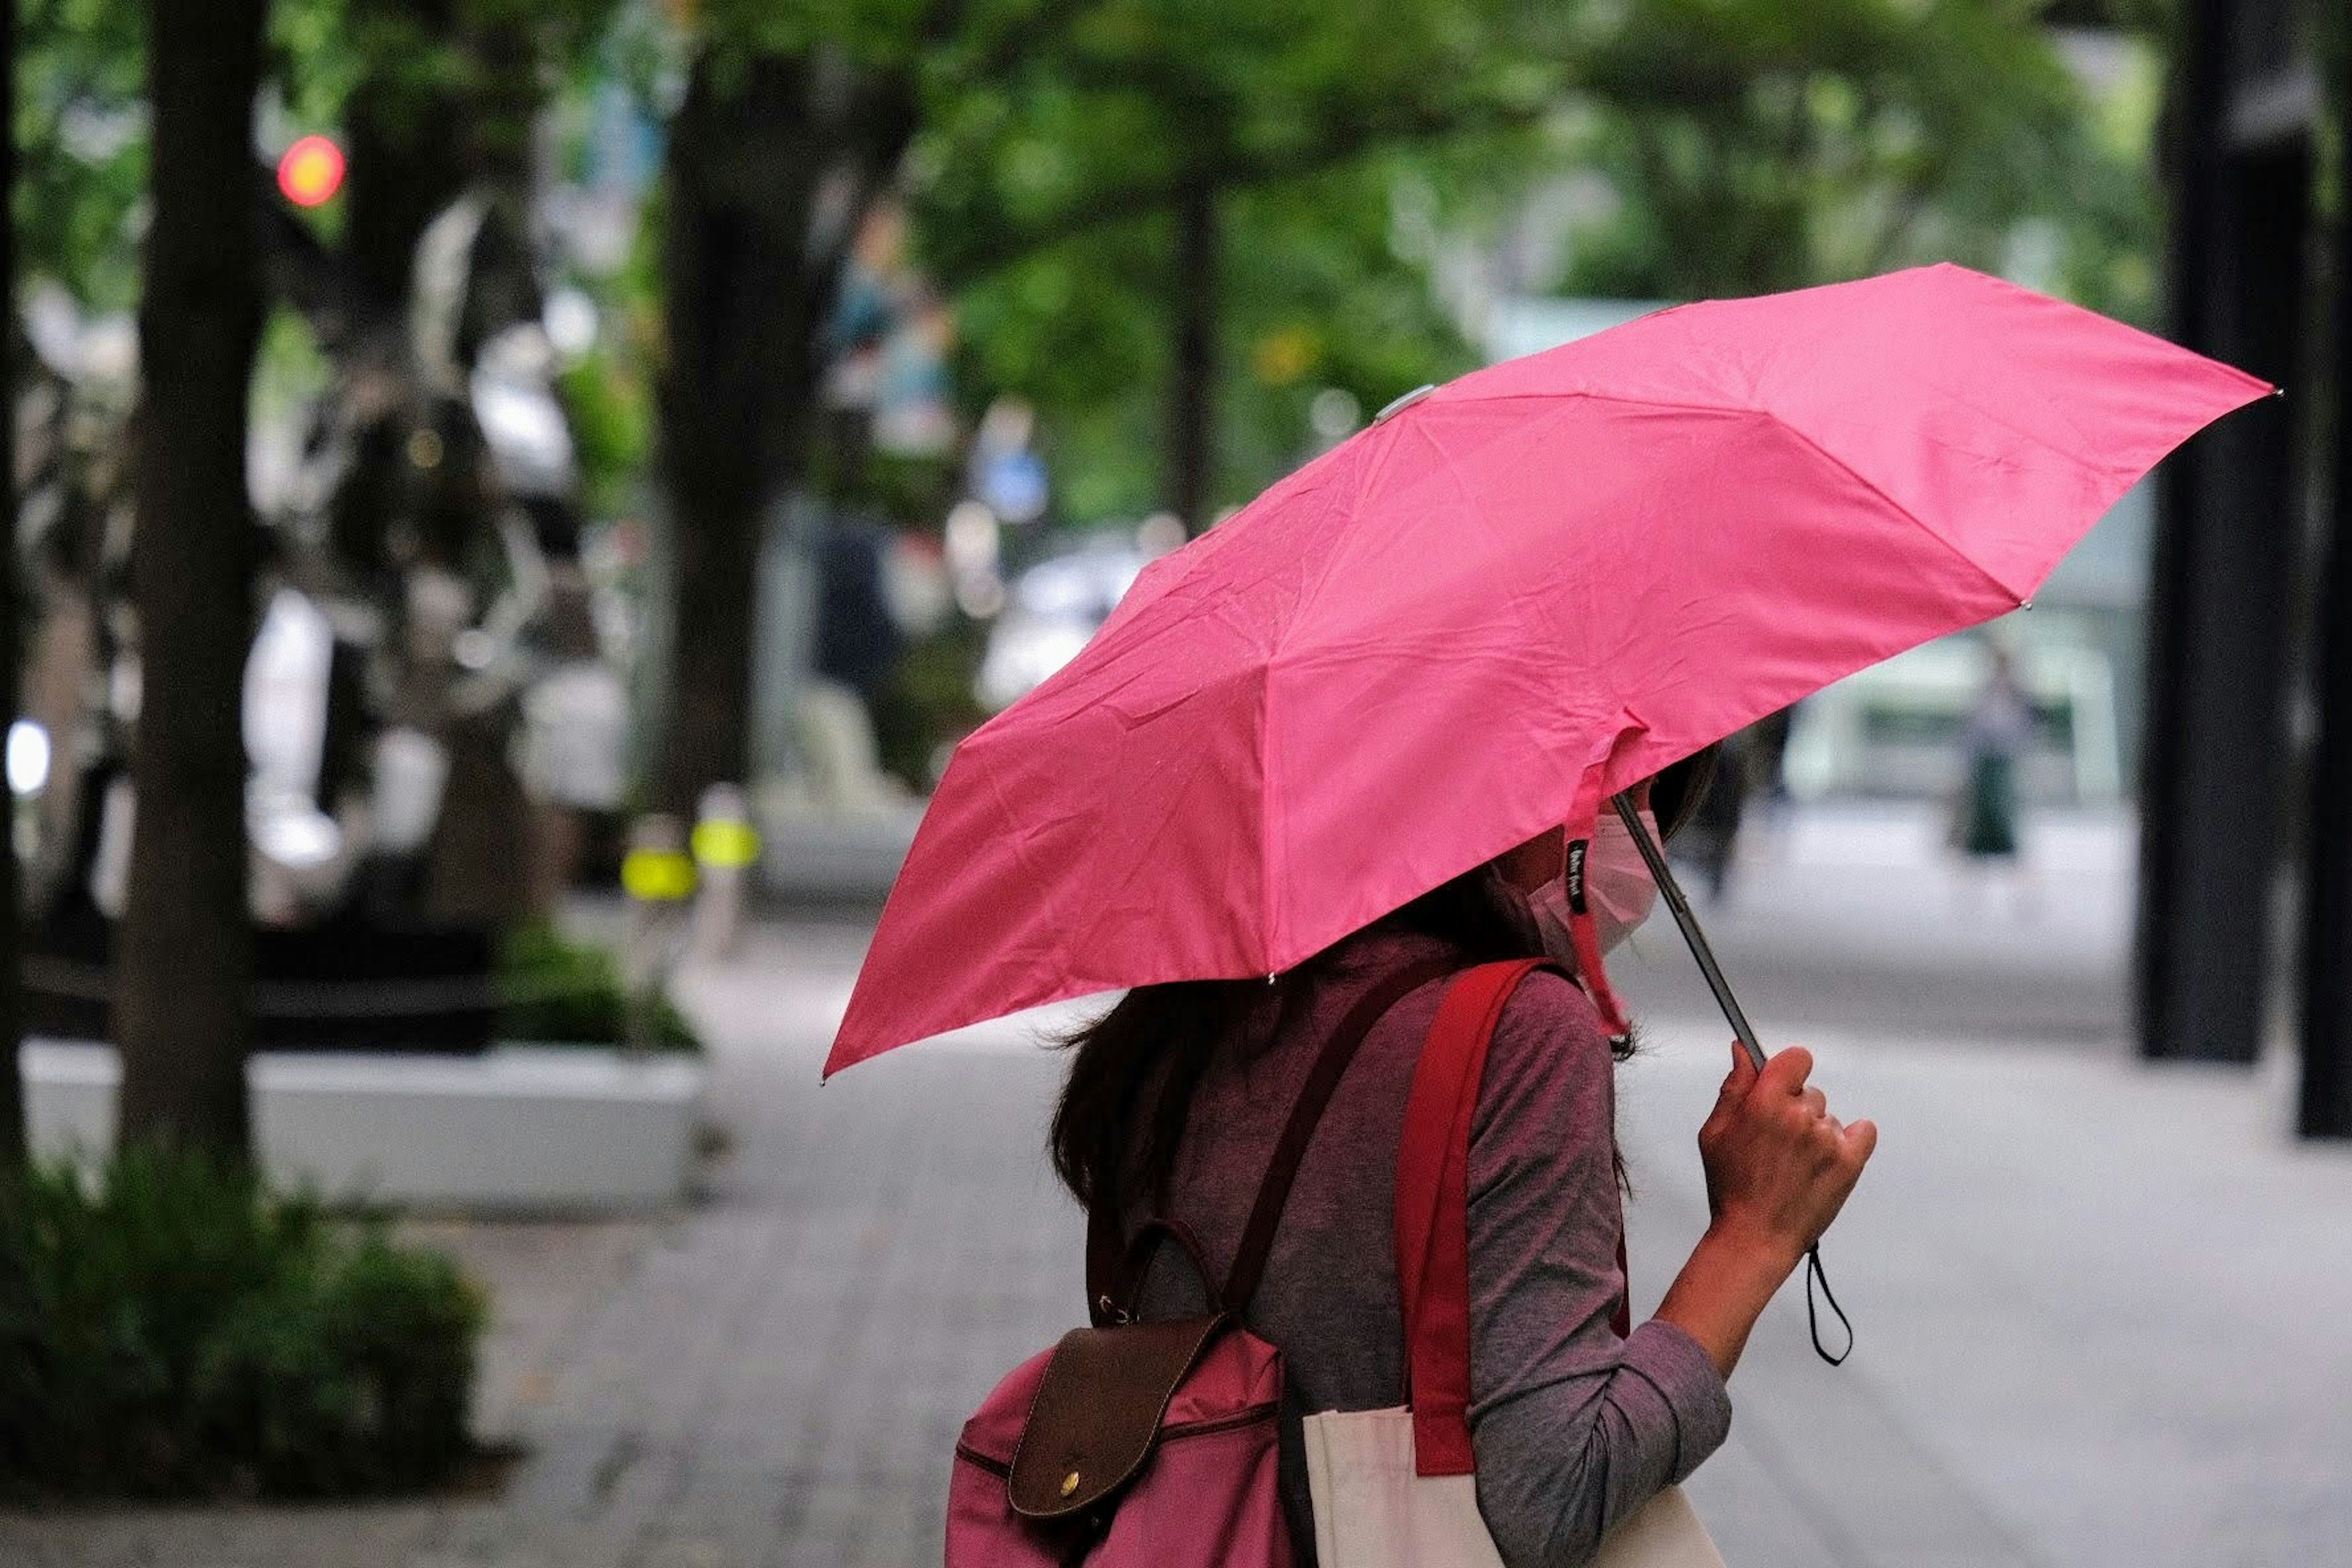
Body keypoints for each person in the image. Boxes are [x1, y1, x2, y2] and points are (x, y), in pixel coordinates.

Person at [1050, 748, 1877, 1567]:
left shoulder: (1183, 1014)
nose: (1643, 828)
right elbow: (1548, 1498)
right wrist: (1752, 1239)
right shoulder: (1515, 1029)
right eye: (1625, 780)